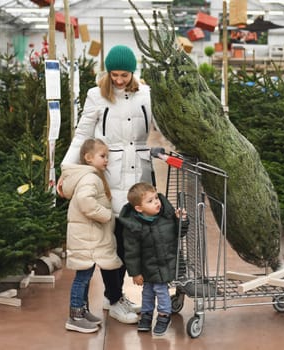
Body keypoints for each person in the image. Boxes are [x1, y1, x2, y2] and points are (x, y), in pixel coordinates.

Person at [59, 45, 154, 324]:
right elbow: (82, 135)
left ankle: (114, 297)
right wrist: (67, 171)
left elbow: (162, 129)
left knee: (130, 240)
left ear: (133, 73)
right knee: (112, 241)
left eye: (124, 75)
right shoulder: (95, 95)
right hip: (108, 176)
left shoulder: (147, 95)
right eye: (115, 75)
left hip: (139, 175)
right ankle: (114, 299)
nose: (119, 80)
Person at [61, 138, 123, 333]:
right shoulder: (90, 178)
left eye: (107, 156)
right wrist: (106, 215)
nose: (106, 160)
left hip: (87, 237)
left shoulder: (92, 176)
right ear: (88, 158)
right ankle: (75, 316)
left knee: (86, 275)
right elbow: (85, 201)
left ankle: (83, 310)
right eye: (102, 156)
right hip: (86, 238)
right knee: (82, 277)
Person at [118, 182, 188, 336]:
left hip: (166, 262)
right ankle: (147, 314)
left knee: (161, 289)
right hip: (147, 267)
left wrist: (181, 220)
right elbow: (131, 252)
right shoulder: (134, 227)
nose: (156, 202)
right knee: (147, 291)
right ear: (139, 208)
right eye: (150, 201)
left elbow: (180, 233)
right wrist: (135, 273)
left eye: (156, 198)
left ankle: (164, 315)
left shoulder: (166, 217)